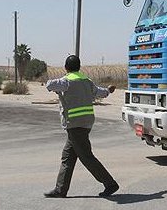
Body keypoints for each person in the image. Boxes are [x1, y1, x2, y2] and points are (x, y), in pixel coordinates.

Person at [43, 55, 119, 198]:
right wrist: (109, 90)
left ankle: (110, 183)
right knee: (68, 157)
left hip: (75, 124)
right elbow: (101, 92)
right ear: (79, 67)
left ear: (66, 67)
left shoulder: (66, 81)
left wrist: (59, 88)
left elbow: (49, 85)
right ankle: (61, 189)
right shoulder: (87, 81)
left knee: (86, 157)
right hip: (86, 123)